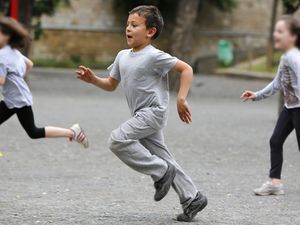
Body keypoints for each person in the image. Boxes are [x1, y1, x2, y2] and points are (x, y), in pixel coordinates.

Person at [77, 5, 207, 222]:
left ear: (150, 32)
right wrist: (93, 80)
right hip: (140, 114)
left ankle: (161, 171)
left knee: (117, 140)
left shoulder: (154, 56)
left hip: (153, 112)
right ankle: (192, 197)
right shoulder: (122, 56)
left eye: (134, 25)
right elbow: (111, 84)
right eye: (127, 24)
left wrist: (181, 98)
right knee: (163, 156)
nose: (128, 28)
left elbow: (186, 69)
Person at [0, 17, 88, 148]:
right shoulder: (12, 52)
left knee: (33, 132)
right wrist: (18, 81)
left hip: (19, 101)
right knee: (33, 131)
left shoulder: (2, 55)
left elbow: (1, 81)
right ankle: (72, 132)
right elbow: (29, 64)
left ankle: (72, 132)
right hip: (14, 99)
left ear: (7, 36)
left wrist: (16, 83)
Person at [241, 15, 300, 196]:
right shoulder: (285, 58)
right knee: (275, 141)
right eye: (276, 30)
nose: (276, 34)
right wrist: (257, 95)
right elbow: (277, 83)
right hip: (290, 108)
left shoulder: (294, 58)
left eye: (280, 31)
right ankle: (275, 183)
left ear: (293, 37)